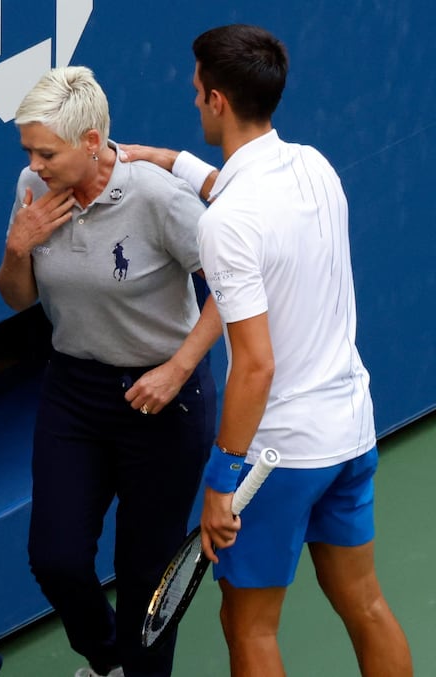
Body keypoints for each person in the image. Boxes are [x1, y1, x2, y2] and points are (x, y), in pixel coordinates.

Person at [121, 24, 413, 677]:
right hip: (349, 433)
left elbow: (255, 364)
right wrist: (159, 157)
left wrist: (223, 482)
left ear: (218, 100)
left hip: (275, 457)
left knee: (247, 626)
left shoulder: (226, 225)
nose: (193, 99)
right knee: (364, 601)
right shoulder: (313, 165)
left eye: (198, 90)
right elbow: (235, 189)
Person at [0, 66, 221, 677]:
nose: (35, 164)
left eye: (48, 152)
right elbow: (16, 298)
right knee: (56, 559)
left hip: (164, 399)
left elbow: (236, 285)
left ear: (92, 142)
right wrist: (19, 246)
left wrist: (178, 368)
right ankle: (108, 662)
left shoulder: (157, 197)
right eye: (29, 151)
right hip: (75, 392)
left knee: (147, 573)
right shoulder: (32, 188)